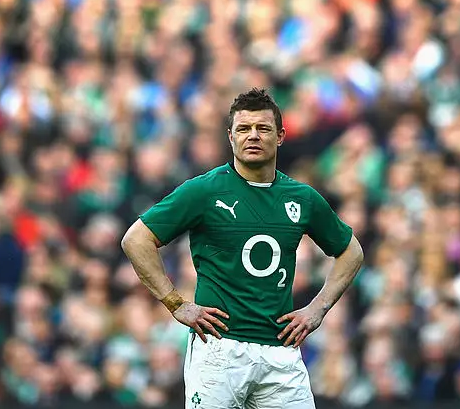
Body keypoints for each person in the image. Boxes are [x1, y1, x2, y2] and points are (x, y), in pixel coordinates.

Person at [122, 87, 365, 408]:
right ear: (230, 136)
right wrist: (176, 303)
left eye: (262, 128)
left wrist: (317, 308)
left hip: (281, 351)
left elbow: (352, 251)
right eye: (243, 129)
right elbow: (136, 239)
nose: (253, 135)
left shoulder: (302, 198)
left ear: (280, 136)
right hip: (219, 349)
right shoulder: (204, 190)